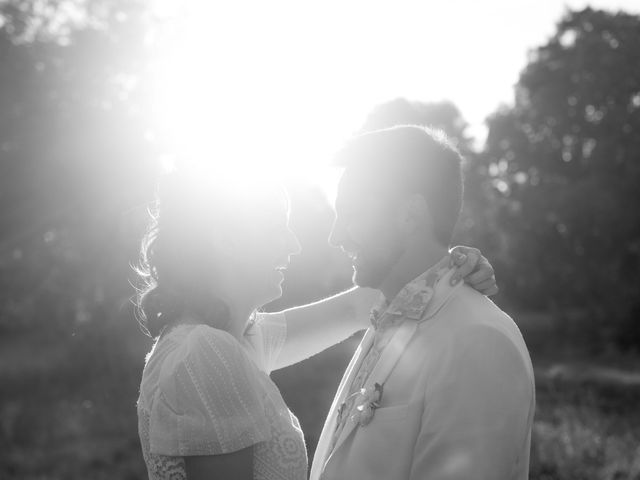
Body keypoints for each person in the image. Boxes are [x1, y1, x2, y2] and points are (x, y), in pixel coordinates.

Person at [135, 167, 497, 480]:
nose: (293, 245)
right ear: (227, 239)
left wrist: (450, 266)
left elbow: (358, 307)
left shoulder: (235, 338)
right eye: (277, 228)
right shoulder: (206, 353)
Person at [310, 125, 535, 480]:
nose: (335, 236)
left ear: (410, 214)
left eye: (352, 213)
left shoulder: (478, 342)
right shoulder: (388, 315)